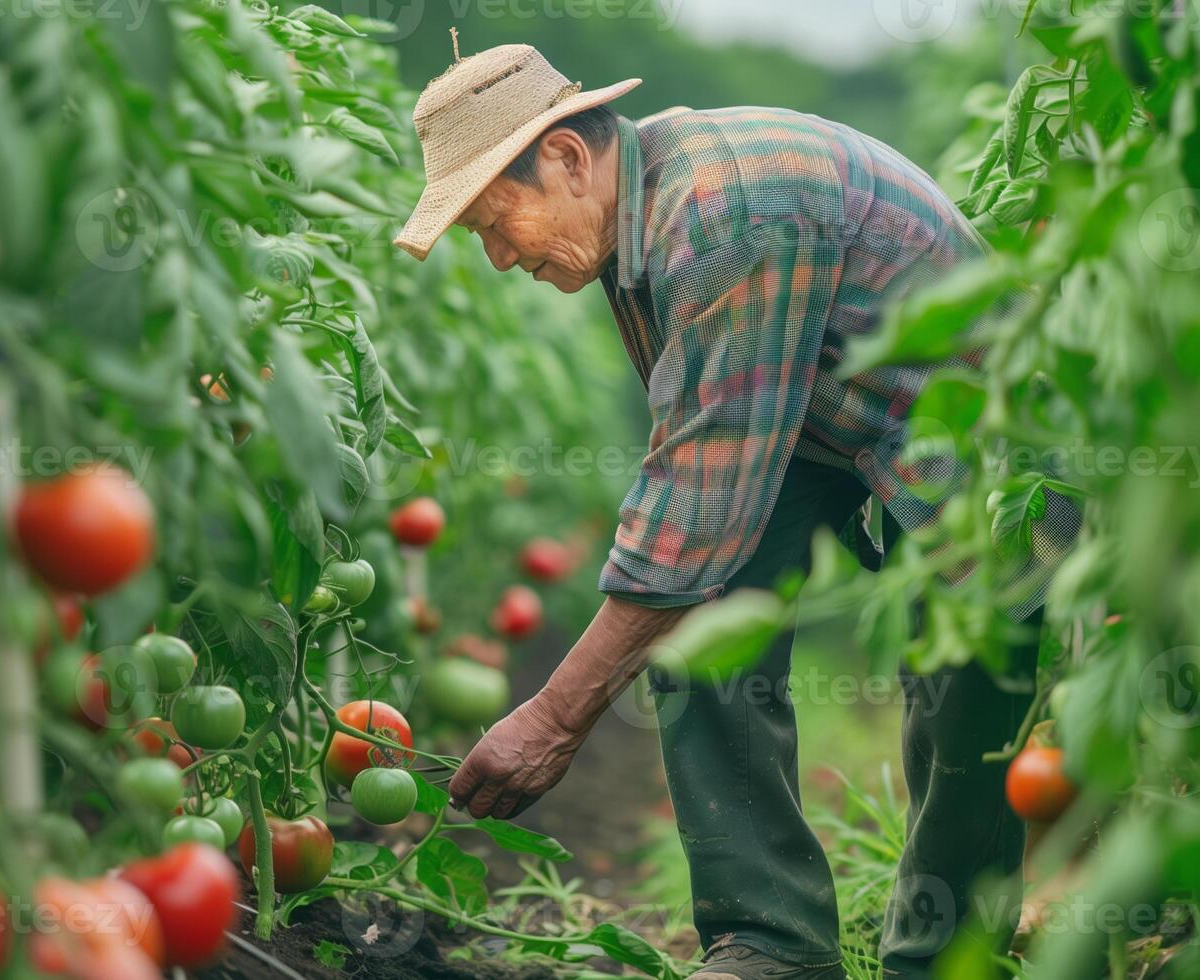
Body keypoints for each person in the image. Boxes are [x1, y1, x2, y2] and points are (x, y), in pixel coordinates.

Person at [394, 42, 1077, 980]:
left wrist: (554, 717)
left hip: (978, 429)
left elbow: (695, 504)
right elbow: (691, 463)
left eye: (493, 220)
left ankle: (946, 955)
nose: (501, 256)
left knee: (963, 683)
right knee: (693, 627)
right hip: (834, 416)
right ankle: (772, 943)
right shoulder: (637, 218)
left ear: (564, 159)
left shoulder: (721, 212)